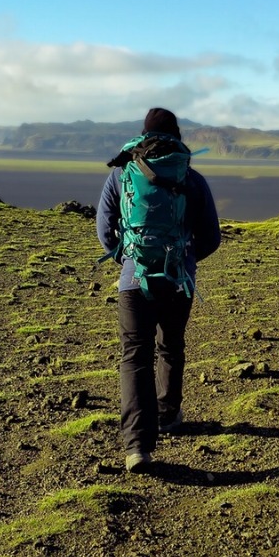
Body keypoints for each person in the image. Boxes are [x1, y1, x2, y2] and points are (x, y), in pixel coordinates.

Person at [96, 107, 221, 473]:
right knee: (171, 344)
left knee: (135, 356)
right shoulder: (192, 178)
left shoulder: (122, 174)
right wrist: (184, 258)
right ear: (178, 135)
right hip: (178, 279)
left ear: (143, 133)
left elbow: (105, 231)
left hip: (134, 281)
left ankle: (137, 446)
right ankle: (168, 413)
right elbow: (212, 237)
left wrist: (130, 259)